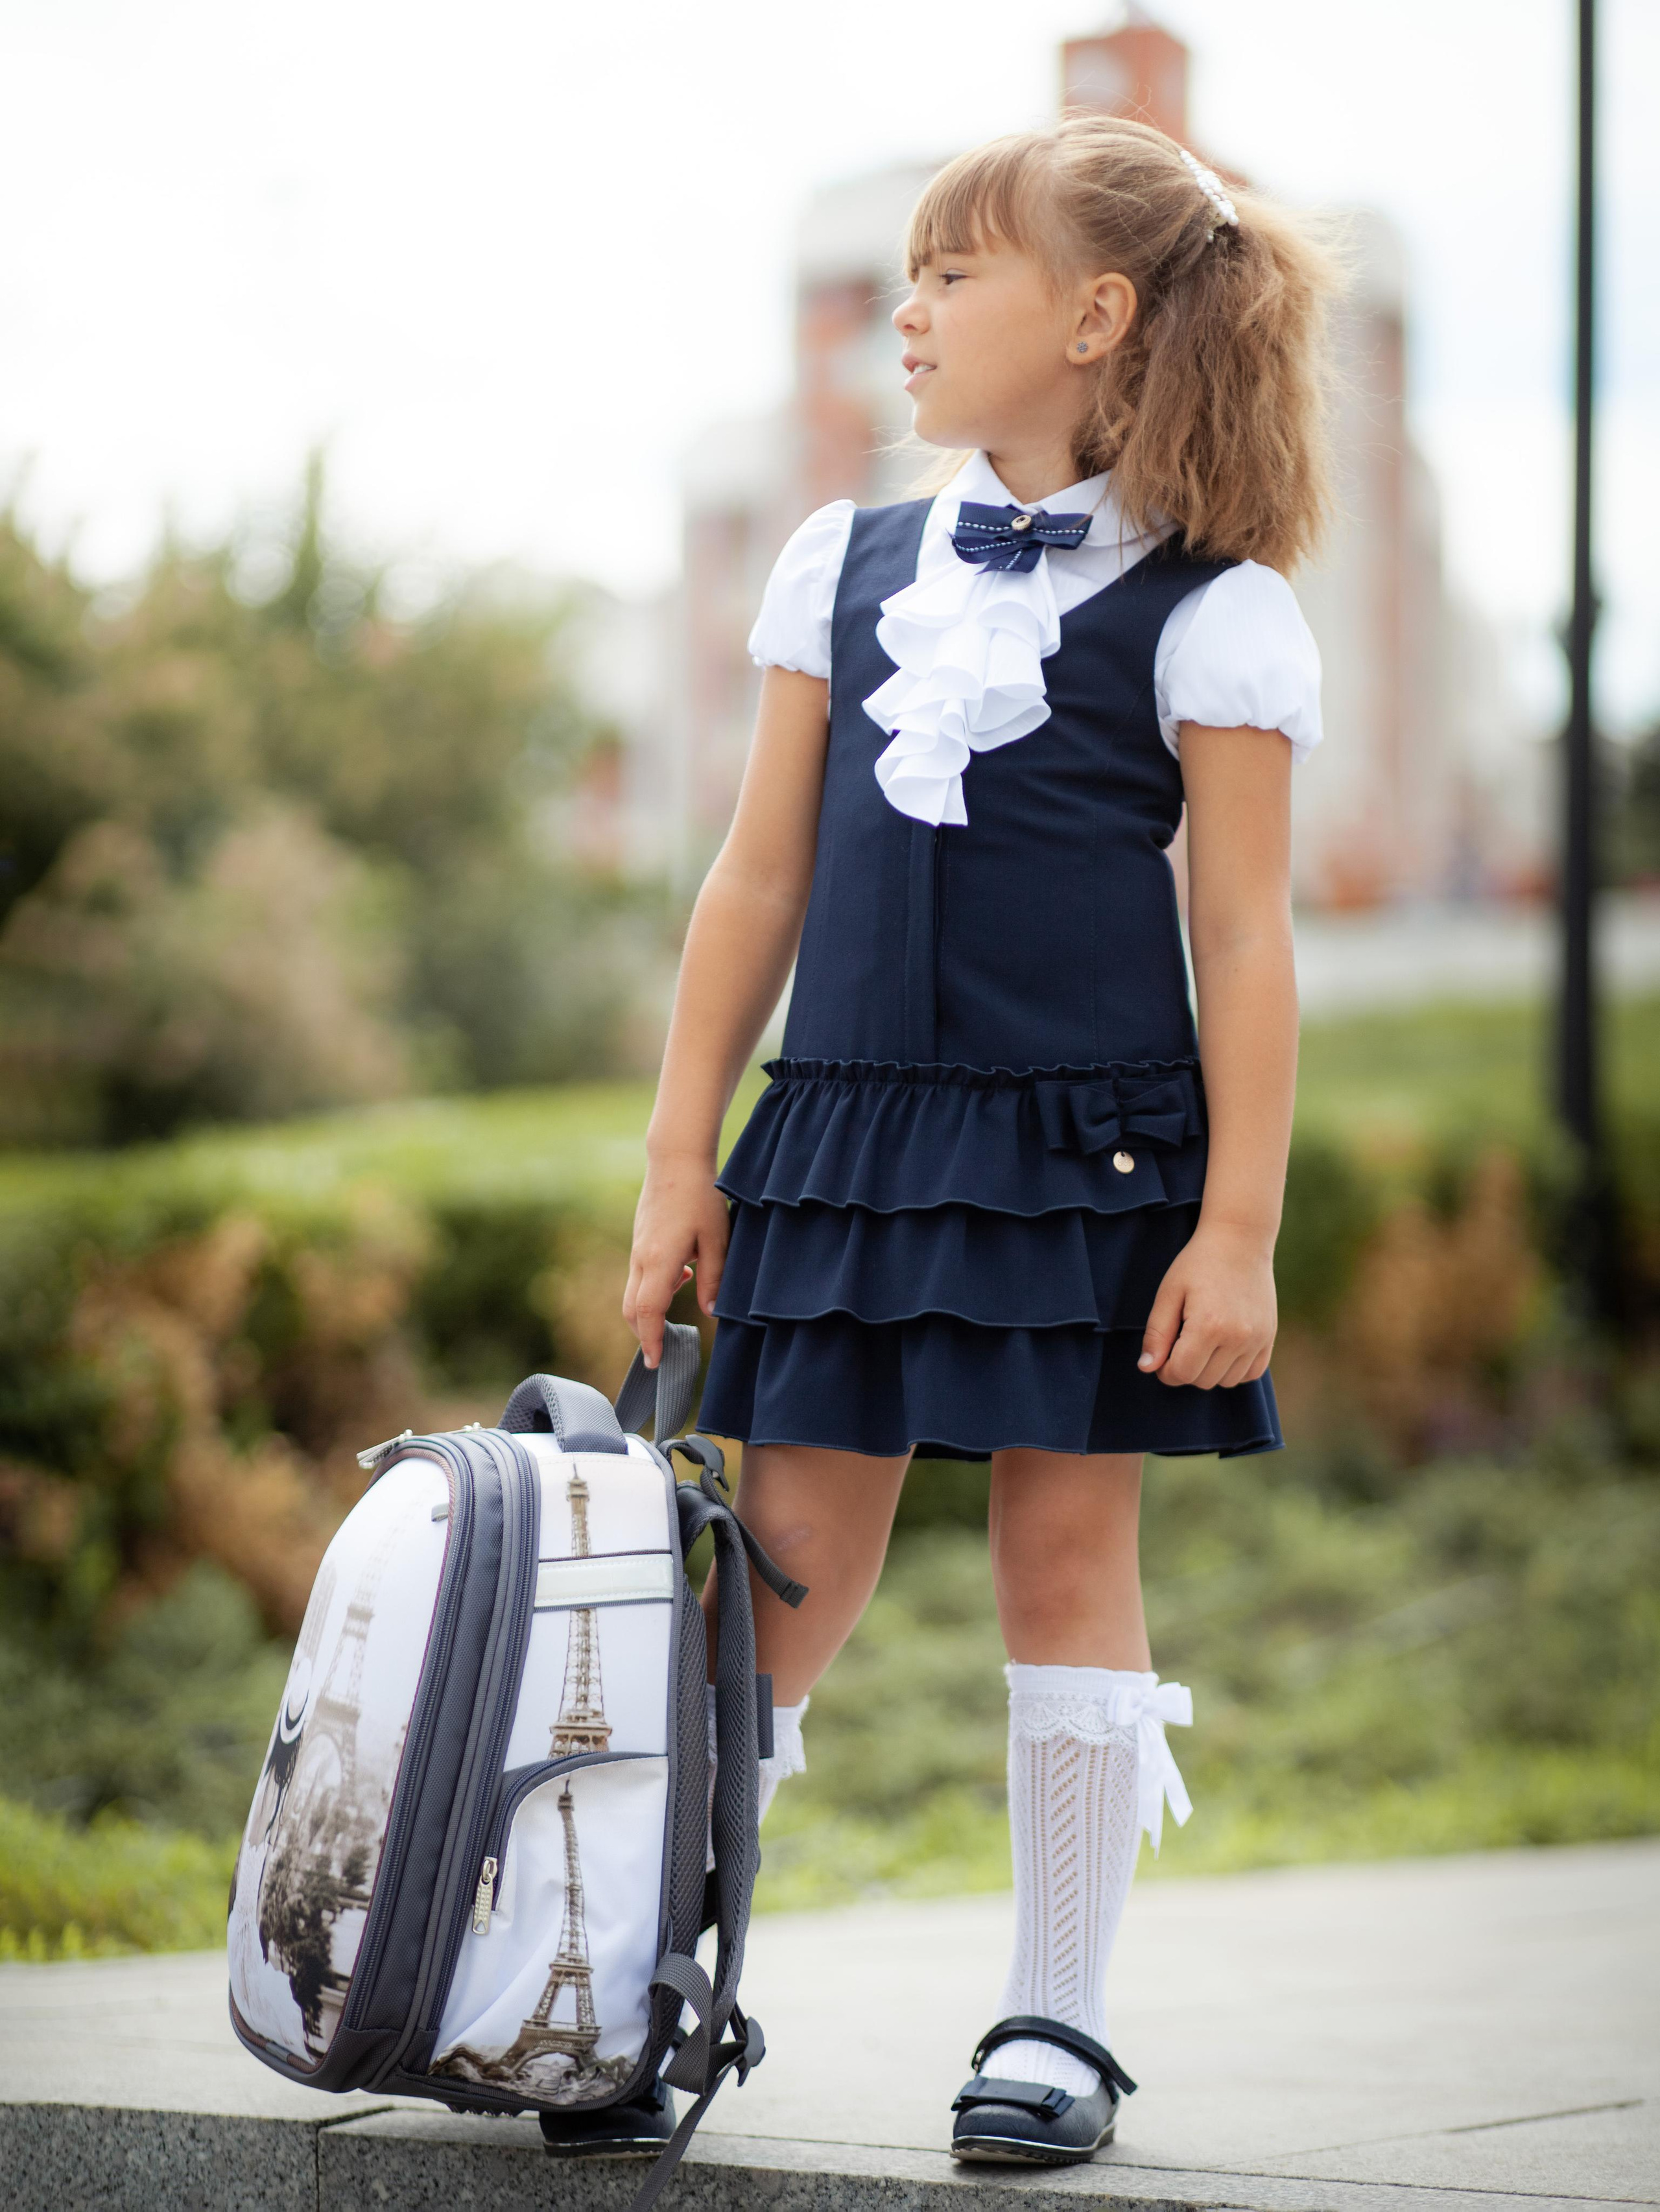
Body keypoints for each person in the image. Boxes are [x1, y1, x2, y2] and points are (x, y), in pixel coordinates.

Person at [624, 114, 1334, 2165]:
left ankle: (1059, 2018)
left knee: (1067, 1552)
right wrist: (681, 1157)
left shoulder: (1215, 610)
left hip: (1091, 1156)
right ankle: (641, 1978)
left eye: (953, 275)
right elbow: (757, 881)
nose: (909, 314)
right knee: (782, 1563)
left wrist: (1241, 1226)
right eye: (909, 277)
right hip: (843, 1137)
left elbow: (1249, 941)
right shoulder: (839, 566)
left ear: (1096, 318)